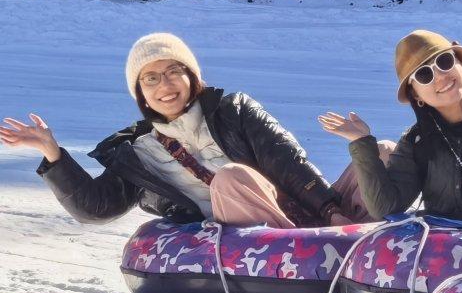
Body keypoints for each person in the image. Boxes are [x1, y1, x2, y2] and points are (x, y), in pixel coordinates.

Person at [2, 32, 363, 227]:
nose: (166, 85)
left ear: (193, 77)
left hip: (301, 210)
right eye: (151, 78)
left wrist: (331, 210)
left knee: (381, 153)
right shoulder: (138, 153)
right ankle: (306, 254)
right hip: (254, 244)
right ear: (141, 92)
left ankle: (377, 255)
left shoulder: (233, 111)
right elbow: (98, 207)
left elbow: (288, 162)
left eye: (174, 71)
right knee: (231, 178)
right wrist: (53, 154)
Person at [319, 31, 462, 233]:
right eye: (424, 75)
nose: (440, 76)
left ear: (461, 63)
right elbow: (385, 208)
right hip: (461, 257)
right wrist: (362, 143)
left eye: (445, 61)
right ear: (416, 95)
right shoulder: (417, 143)